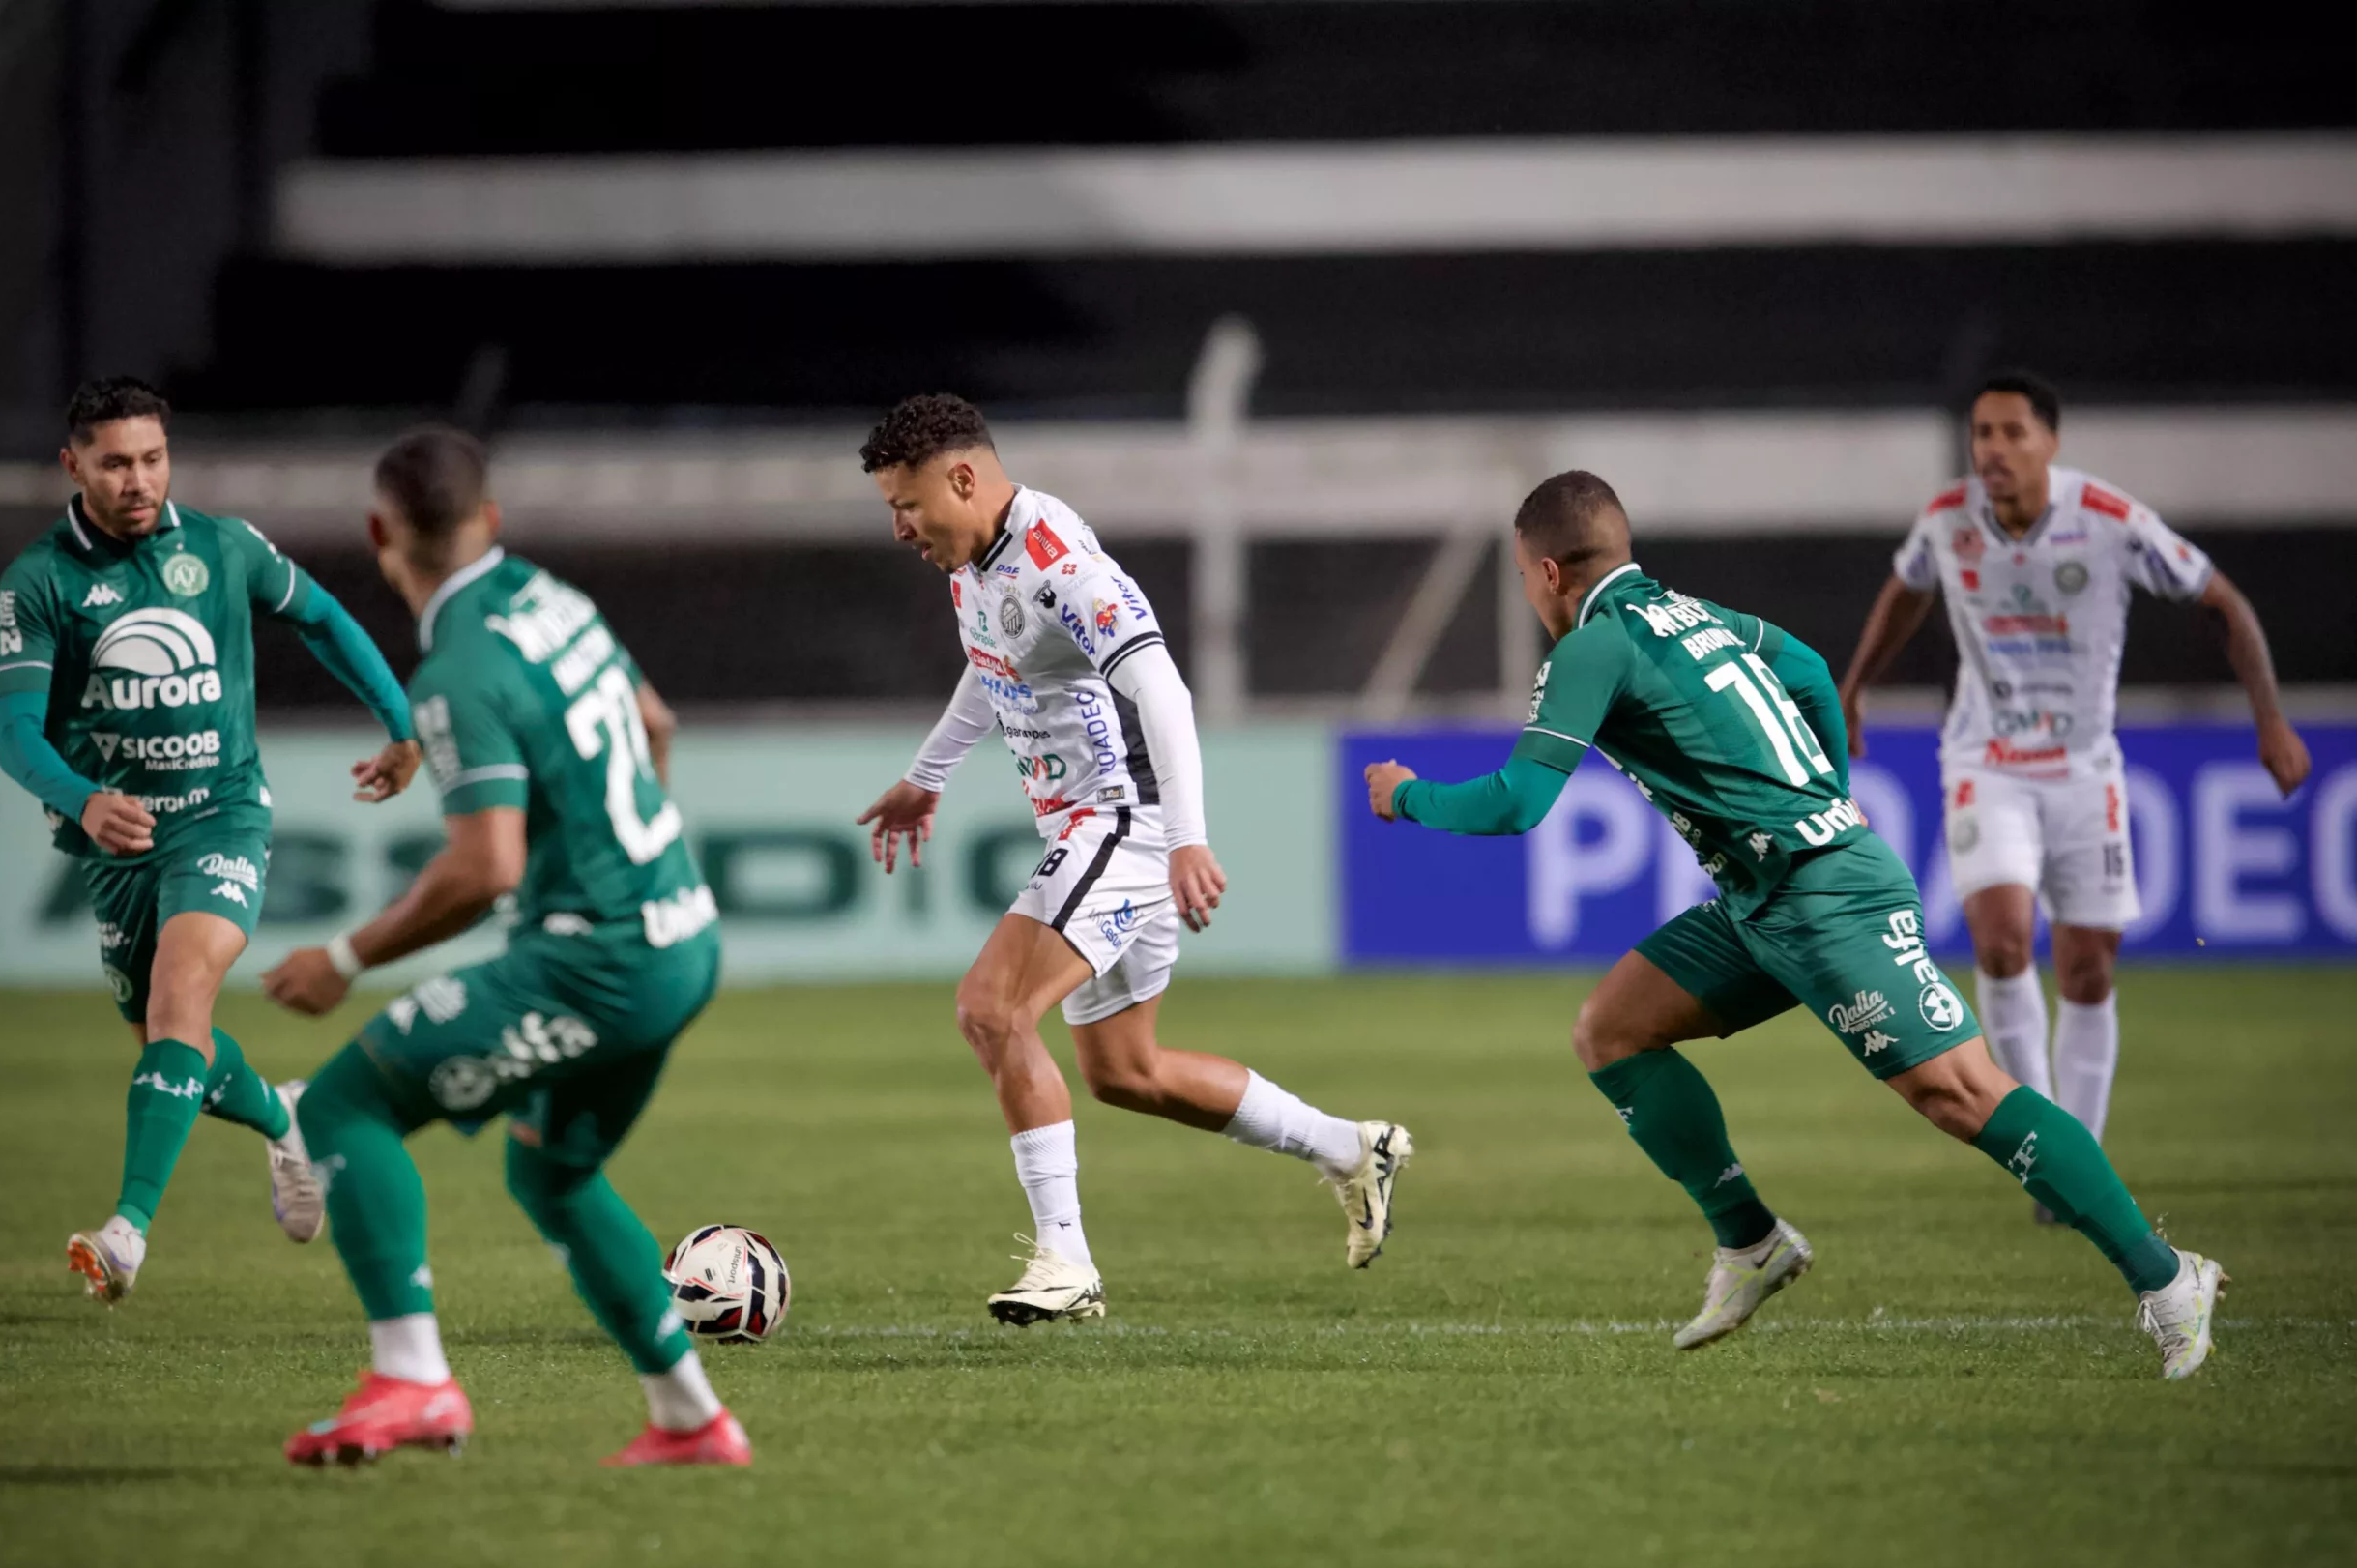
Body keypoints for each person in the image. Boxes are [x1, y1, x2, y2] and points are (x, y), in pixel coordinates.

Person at [1366, 470, 2225, 1379]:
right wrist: (1830, 797)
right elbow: (1811, 670)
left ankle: (2169, 1278)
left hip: (1824, 895)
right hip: (1763, 896)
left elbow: (1516, 803)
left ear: (1546, 572)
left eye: (1522, 578)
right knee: (1612, 1031)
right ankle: (1752, 1242)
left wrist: (1405, 795)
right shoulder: (1693, 614)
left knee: (1961, 1092)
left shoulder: (1593, 646)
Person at [855, 393, 1412, 1324]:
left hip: (1122, 823)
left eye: (907, 505)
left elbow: (1162, 688)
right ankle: (1353, 1150)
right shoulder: (976, 562)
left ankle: (1066, 1262)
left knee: (993, 1010)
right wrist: (928, 775)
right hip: (1094, 830)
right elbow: (992, 664)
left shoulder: (1060, 567)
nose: (900, 528)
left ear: (963, 478)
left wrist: (1186, 835)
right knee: (1125, 1070)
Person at [261, 425, 743, 1468]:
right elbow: (655, 721)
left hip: (599, 960)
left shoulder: (456, 670)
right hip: (683, 934)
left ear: (379, 532)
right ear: (491, 518)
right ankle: (692, 1421)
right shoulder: (552, 598)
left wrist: (342, 959)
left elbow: (486, 869)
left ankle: (413, 1379)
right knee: (553, 1173)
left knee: (343, 1106)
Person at [0, 377, 420, 1303]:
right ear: (72, 466)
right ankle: (287, 1117)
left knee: (181, 994)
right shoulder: (40, 581)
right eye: (115, 463)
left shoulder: (224, 547)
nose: (139, 480)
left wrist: (401, 722)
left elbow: (323, 618)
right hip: (115, 841)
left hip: (221, 816)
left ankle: (127, 1232)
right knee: (164, 1039)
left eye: (153, 458)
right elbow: (16, 734)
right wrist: (82, 799)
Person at [1837, 372, 2309, 1208]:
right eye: (1983, 433)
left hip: (2086, 772)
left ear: (2050, 443)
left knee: (2088, 968)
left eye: (2013, 433)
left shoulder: (2110, 520)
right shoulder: (1947, 520)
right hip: (1985, 762)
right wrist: (1854, 688)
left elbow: (2223, 602)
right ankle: (2046, 1157)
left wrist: (2270, 720)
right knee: (2002, 943)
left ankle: (2079, 1158)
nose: (1993, 449)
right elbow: (1907, 588)